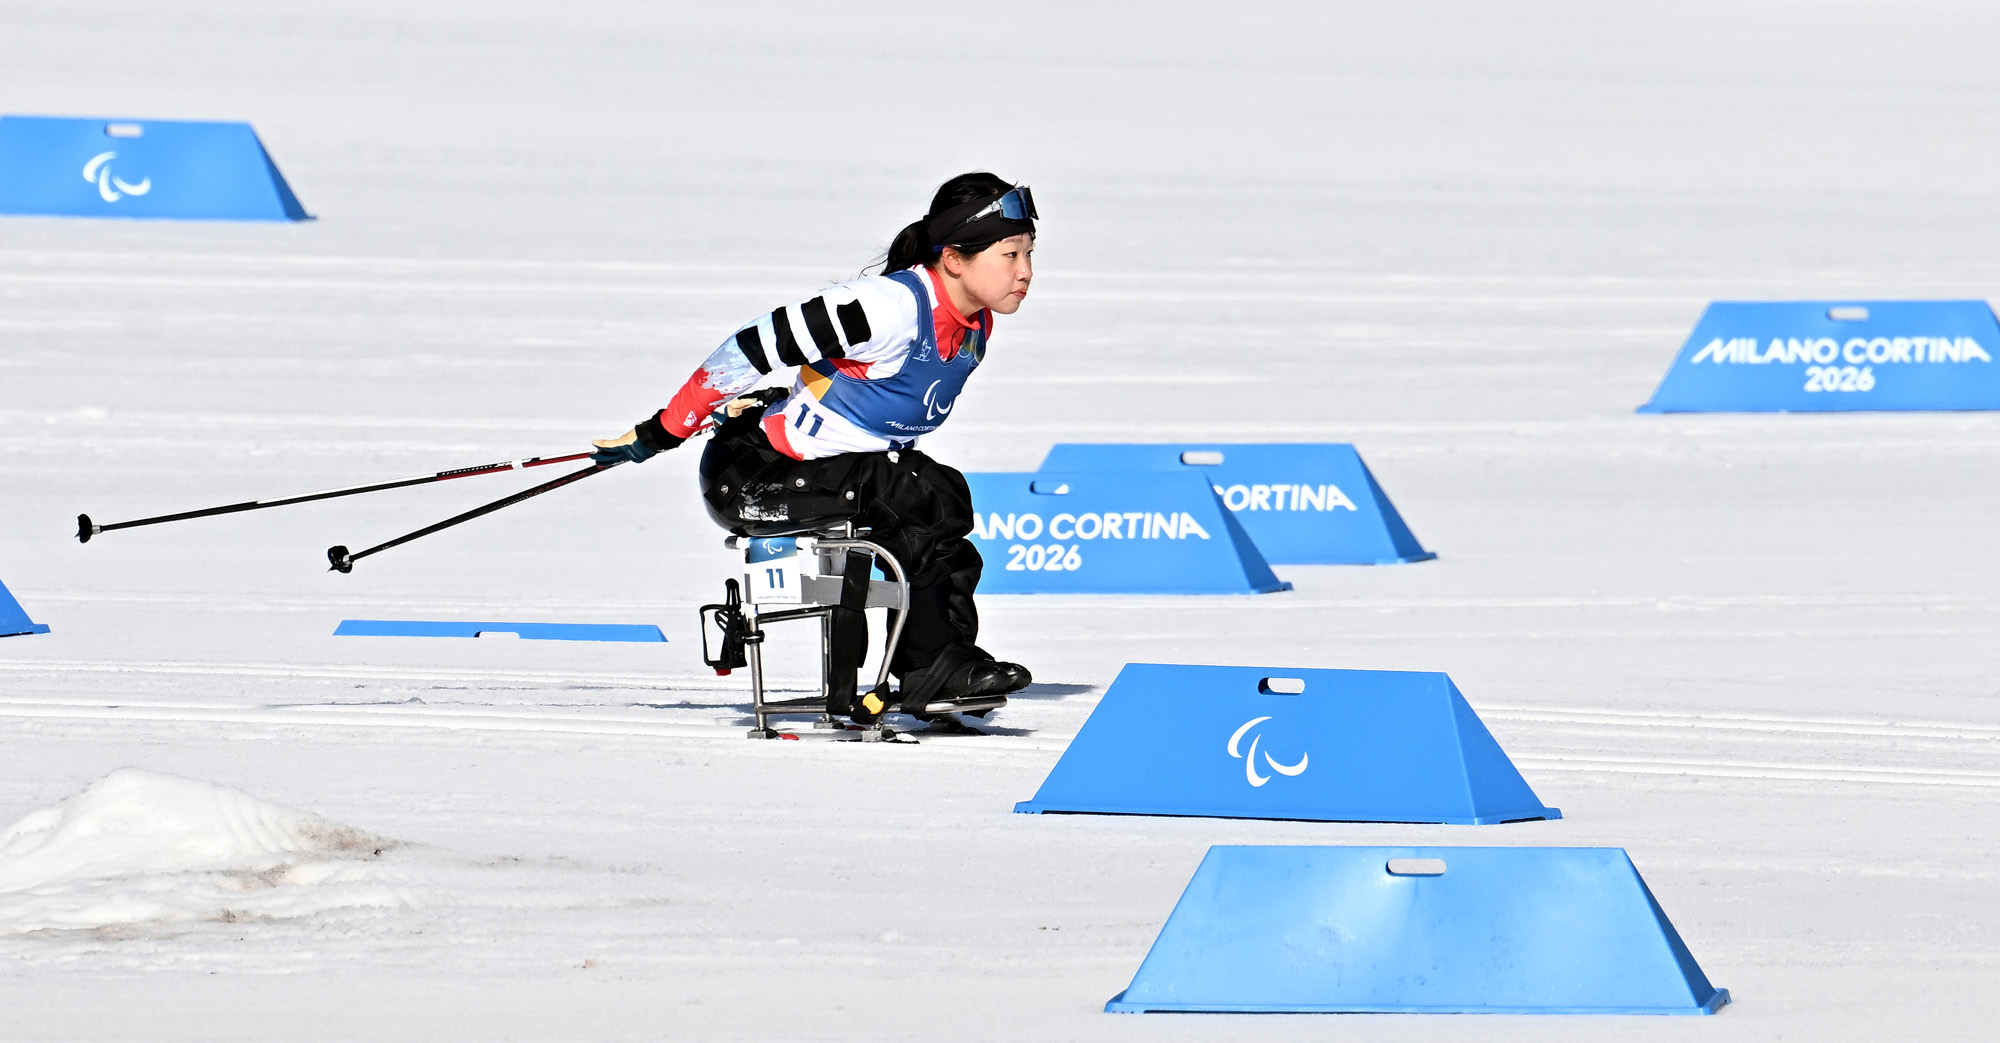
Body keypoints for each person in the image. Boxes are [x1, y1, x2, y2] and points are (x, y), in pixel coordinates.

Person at [592, 172, 1037, 724]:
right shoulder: (886, 307)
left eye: (1030, 254)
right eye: (1010, 254)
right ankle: (932, 666)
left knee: (939, 497)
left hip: (837, 471)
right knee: (920, 494)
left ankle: (943, 664)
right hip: (755, 477)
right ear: (953, 258)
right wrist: (664, 430)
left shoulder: (974, 323)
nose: (1026, 272)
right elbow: (752, 346)